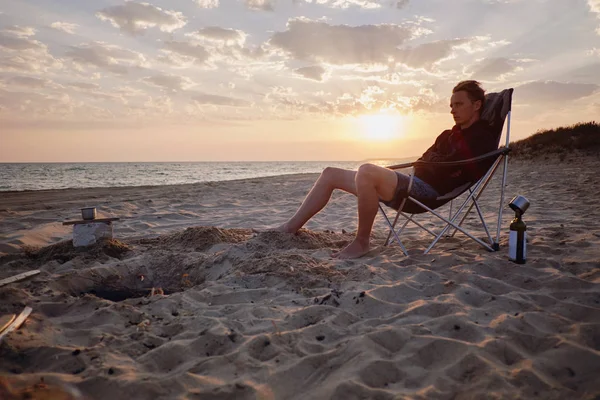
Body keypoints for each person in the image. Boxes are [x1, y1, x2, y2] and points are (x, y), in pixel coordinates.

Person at [273, 80, 498, 259]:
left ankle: (362, 242)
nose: (453, 110)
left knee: (367, 171)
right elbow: (422, 161)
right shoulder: (447, 135)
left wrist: (434, 165)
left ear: (477, 105)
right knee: (330, 173)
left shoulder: (482, 137)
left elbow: (459, 169)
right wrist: (430, 164)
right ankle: (290, 227)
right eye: (451, 106)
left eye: (459, 104)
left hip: (428, 193)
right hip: (413, 184)